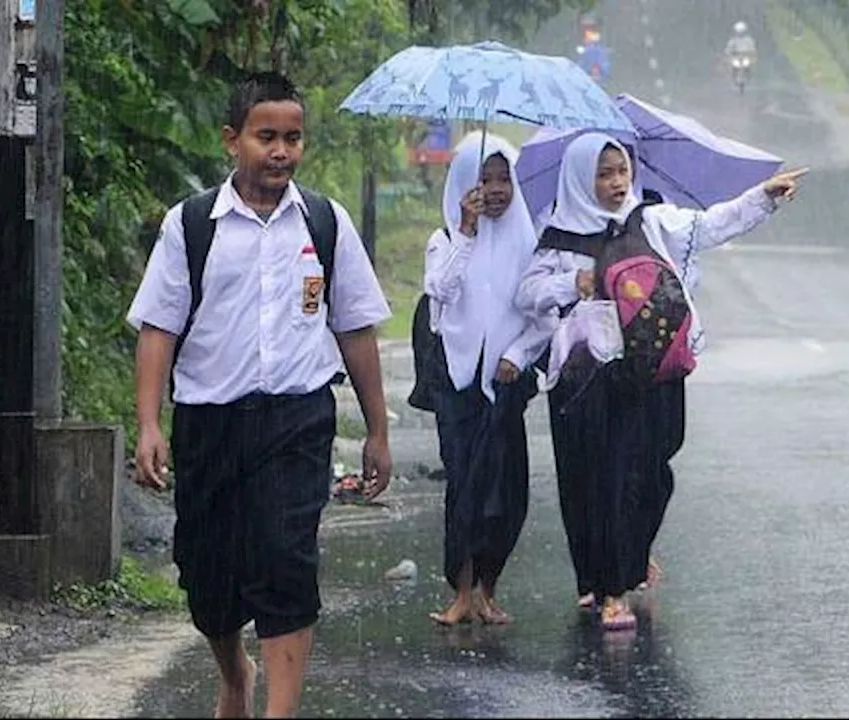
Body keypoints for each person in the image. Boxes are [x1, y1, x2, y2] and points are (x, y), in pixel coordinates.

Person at [127, 71, 394, 719]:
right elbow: (159, 329)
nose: (280, 151)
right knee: (208, 574)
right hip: (209, 420)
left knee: (285, 558)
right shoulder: (192, 226)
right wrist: (149, 424)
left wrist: (379, 432)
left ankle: (280, 711)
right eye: (266, 136)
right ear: (232, 140)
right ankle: (233, 675)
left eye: (293, 138)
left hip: (297, 420)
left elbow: (355, 330)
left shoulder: (325, 224)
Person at [515, 133, 805, 631]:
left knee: (651, 473)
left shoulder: (651, 219)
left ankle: (628, 557)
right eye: (602, 174)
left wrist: (763, 198)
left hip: (652, 371)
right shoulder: (558, 234)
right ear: (582, 178)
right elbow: (526, 293)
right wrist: (572, 284)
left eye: (621, 171)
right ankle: (608, 587)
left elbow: (712, 223)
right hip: (589, 381)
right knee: (596, 481)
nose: (614, 183)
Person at [424, 132, 557, 626]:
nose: (497, 190)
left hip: (506, 384)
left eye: (505, 179)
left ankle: (489, 587)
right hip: (457, 381)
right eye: (485, 179)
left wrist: (518, 357)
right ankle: (460, 591)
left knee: (506, 492)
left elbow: (543, 317)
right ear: (464, 184)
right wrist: (467, 231)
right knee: (464, 486)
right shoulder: (445, 240)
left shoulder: (531, 242)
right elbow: (439, 291)